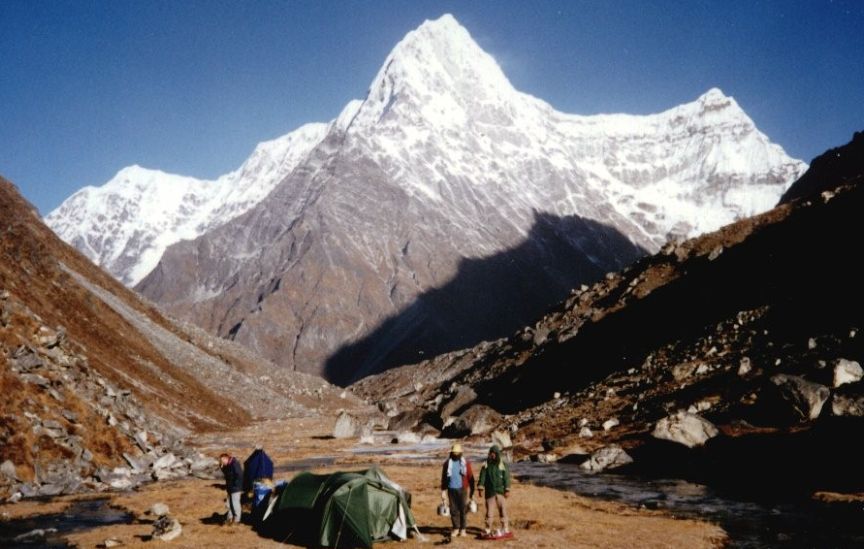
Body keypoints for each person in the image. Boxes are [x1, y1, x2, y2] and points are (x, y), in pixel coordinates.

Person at [439, 443, 475, 539]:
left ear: (460, 453)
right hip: (451, 489)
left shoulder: (466, 463)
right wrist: (443, 491)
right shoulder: (447, 464)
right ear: (451, 453)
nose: (455, 455)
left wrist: (472, 492)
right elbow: (444, 478)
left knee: (463, 510)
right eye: (454, 453)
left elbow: (471, 478)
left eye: (457, 453)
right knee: (453, 510)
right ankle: (456, 528)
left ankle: (463, 529)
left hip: (462, 489)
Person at [477, 444, 510, 536]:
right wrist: (480, 488)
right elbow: (482, 477)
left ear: (497, 454)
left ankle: (505, 528)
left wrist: (507, 490)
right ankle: (487, 528)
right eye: (491, 453)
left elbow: (506, 478)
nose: (492, 455)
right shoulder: (486, 465)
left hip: (500, 492)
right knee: (489, 512)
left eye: (494, 453)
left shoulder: (503, 465)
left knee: (503, 510)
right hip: (490, 492)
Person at [219, 452, 243, 525]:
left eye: (223, 461)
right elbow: (226, 474)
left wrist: (235, 485)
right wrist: (222, 467)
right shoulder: (227, 465)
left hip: (235, 487)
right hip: (230, 487)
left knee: (235, 503)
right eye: (221, 461)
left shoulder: (234, 464)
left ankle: (237, 520)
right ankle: (229, 518)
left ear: (227, 458)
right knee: (229, 503)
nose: (222, 462)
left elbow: (240, 475)